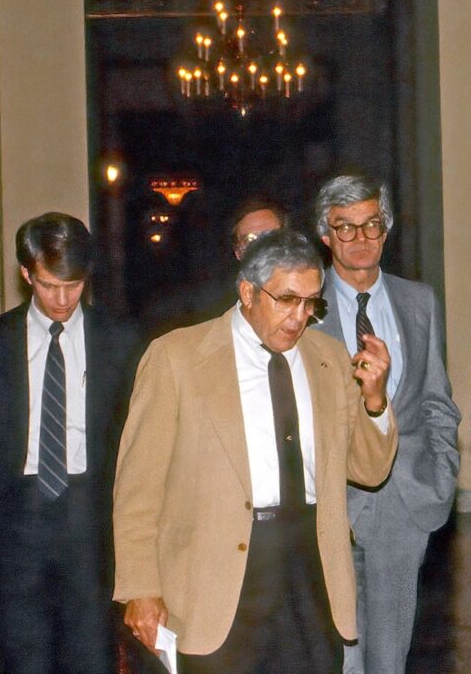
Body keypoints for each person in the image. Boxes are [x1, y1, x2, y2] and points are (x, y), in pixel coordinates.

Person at [112, 228, 398, 674]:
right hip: (217, 576)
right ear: (247, 291)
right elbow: (138, 488)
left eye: (310, 303)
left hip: (310, 568)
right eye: (286, 299)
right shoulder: (177, 358)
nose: (299, 317)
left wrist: (375, 402)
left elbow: (369, 469)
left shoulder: (329, 358)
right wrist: (141, 587)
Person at [0, 212, 141, 674]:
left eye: (73, 285)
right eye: (50, 285)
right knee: (23, 660)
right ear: (27, 273)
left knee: (92, 659)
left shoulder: (119, 340)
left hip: (91, 523)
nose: (63, 299)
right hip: (16, 526)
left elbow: (138, 442)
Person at [309, 175, 461, 674]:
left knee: (391, 654)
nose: (361, 238)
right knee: (344, 654)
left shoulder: (419, 301)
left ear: (387, 228)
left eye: (372, 224)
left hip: (405, 497)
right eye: (346, 228)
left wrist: (442, 475)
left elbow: (438, 398)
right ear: (325, 236)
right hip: (333, 499)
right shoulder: (303, 310)